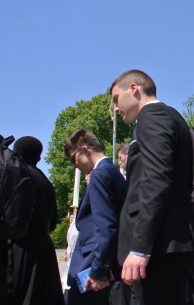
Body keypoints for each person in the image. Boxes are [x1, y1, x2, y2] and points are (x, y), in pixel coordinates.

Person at [110, 69, 194, 304]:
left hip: (160, 247)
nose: (115, 108)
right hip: (166, 243)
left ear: (134, 89)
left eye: (115, 99)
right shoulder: (169, 116)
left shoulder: (152, 117)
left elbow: (156, 181)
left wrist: (140, 248)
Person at [63, 128, 127, 304]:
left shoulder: (99, 174)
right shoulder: (111, 171)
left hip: (93, 267)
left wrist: (99, 270)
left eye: (73, 159)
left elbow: (106, 227)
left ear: (84, 150)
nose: (74, 165)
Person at [1, 136, 64, 305]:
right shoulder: (46, 181)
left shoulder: (17, 175)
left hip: (20, 250)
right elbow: (52, 222)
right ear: (38, 157)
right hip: (45, 251)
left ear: (16, 152)